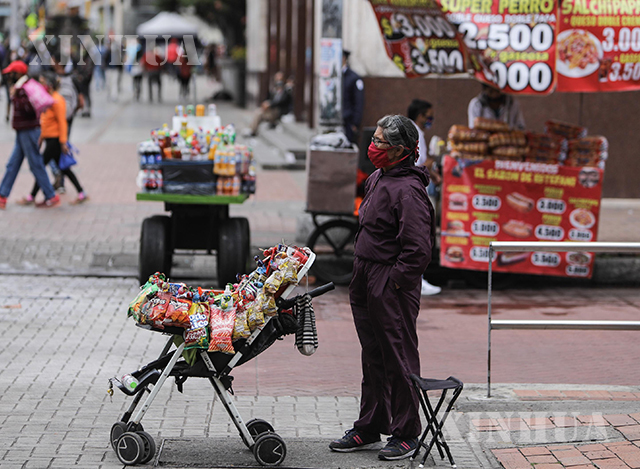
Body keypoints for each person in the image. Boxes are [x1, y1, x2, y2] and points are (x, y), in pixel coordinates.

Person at [329, 115, 435, 461]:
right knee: (372, 354)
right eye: (373, 139)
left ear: (402, 151)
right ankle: (370, 425)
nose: (372, 147)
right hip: (365, 276)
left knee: (398, 355)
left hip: (390, 282)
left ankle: (406, 433)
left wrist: (394, 282)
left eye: (380, 143)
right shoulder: (377, 178)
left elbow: (418, 250)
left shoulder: (409, 191)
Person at [19, 73, 87, 205]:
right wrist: (41, 138)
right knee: (64, 169)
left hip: (55, 141)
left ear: (49, 86)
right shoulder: (48, 99)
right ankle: (81, 192)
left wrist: (63, 142)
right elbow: (45, 122)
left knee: (41, 167)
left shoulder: (57, 100)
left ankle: (33, 196)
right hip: (50, 140)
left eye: (43, 83)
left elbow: (62, 122)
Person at [0, 61, 59, 209]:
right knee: (12, 164)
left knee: (36, 164)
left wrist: (15, 97)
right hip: (23, 132)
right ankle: (2, 195)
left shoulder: (25, 88)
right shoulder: (23, 86)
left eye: (12, 73)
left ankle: (51, 195)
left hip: (29, 131)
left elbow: (29, 109)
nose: (10, 76)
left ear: (18, 73)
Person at [407, 99, 442, 296]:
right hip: (414, 191)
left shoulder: (414, 131)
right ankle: (417, 280)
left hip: (415, 189)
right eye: (428, 115)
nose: (430, 119)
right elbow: (418, 163)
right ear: (420, 115)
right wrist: (432, 161)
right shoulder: (415, 133)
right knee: (417, 238)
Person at [248, 71, 292, 136]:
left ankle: (253, 130)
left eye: (280, 78)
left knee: (259, 114)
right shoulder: (274, 89)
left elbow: (282, 101)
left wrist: (270, 104)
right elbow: (268, 98)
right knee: (258, 112)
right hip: (271, 110)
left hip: (279, 111)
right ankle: (252, 130)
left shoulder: (286, 90)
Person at [342, 49, 364, 144]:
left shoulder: (353, 78)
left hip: (348, 120)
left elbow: (359, 101)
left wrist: (355, 122)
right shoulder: (334, 76)